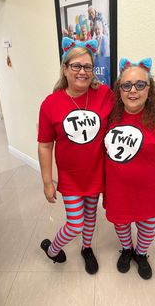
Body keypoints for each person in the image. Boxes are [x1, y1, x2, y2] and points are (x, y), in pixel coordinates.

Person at [37, 37, 114, 275]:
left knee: (91, 216)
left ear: (93, 69)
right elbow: (45, 146)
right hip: (70, 178)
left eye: (88, 66)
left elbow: (133, 102)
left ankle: (86, 249)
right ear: (65, 68)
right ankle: (52, 249)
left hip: (96, 173)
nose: (82, 71)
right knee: (75, 223)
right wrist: (48, 181)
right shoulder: (51, 104)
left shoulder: (104, 94)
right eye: (76, 66)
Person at [104, 58, 155, 280]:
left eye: (140, 85)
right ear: (119, 89)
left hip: (148, 192)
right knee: (120, 223)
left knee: (147, 227)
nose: (133, 91)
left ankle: (141, 254)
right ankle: (127, 249)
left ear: (149, 89)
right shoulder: (109, 113)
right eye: (126, 85)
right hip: (116, 188)